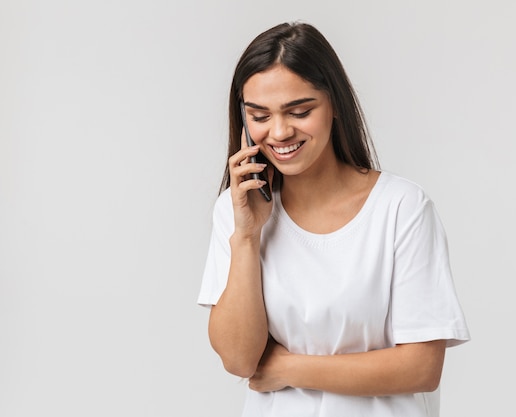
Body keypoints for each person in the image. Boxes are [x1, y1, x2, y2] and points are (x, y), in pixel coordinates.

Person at [197, 22, 470, 417]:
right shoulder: (236, 212)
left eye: (300, 111)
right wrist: (246, 237)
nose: (278, 132)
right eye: (259, 115)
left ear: (336, 104)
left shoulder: (400, 207)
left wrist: (288, 367)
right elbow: (240, 360)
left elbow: (422, 367)